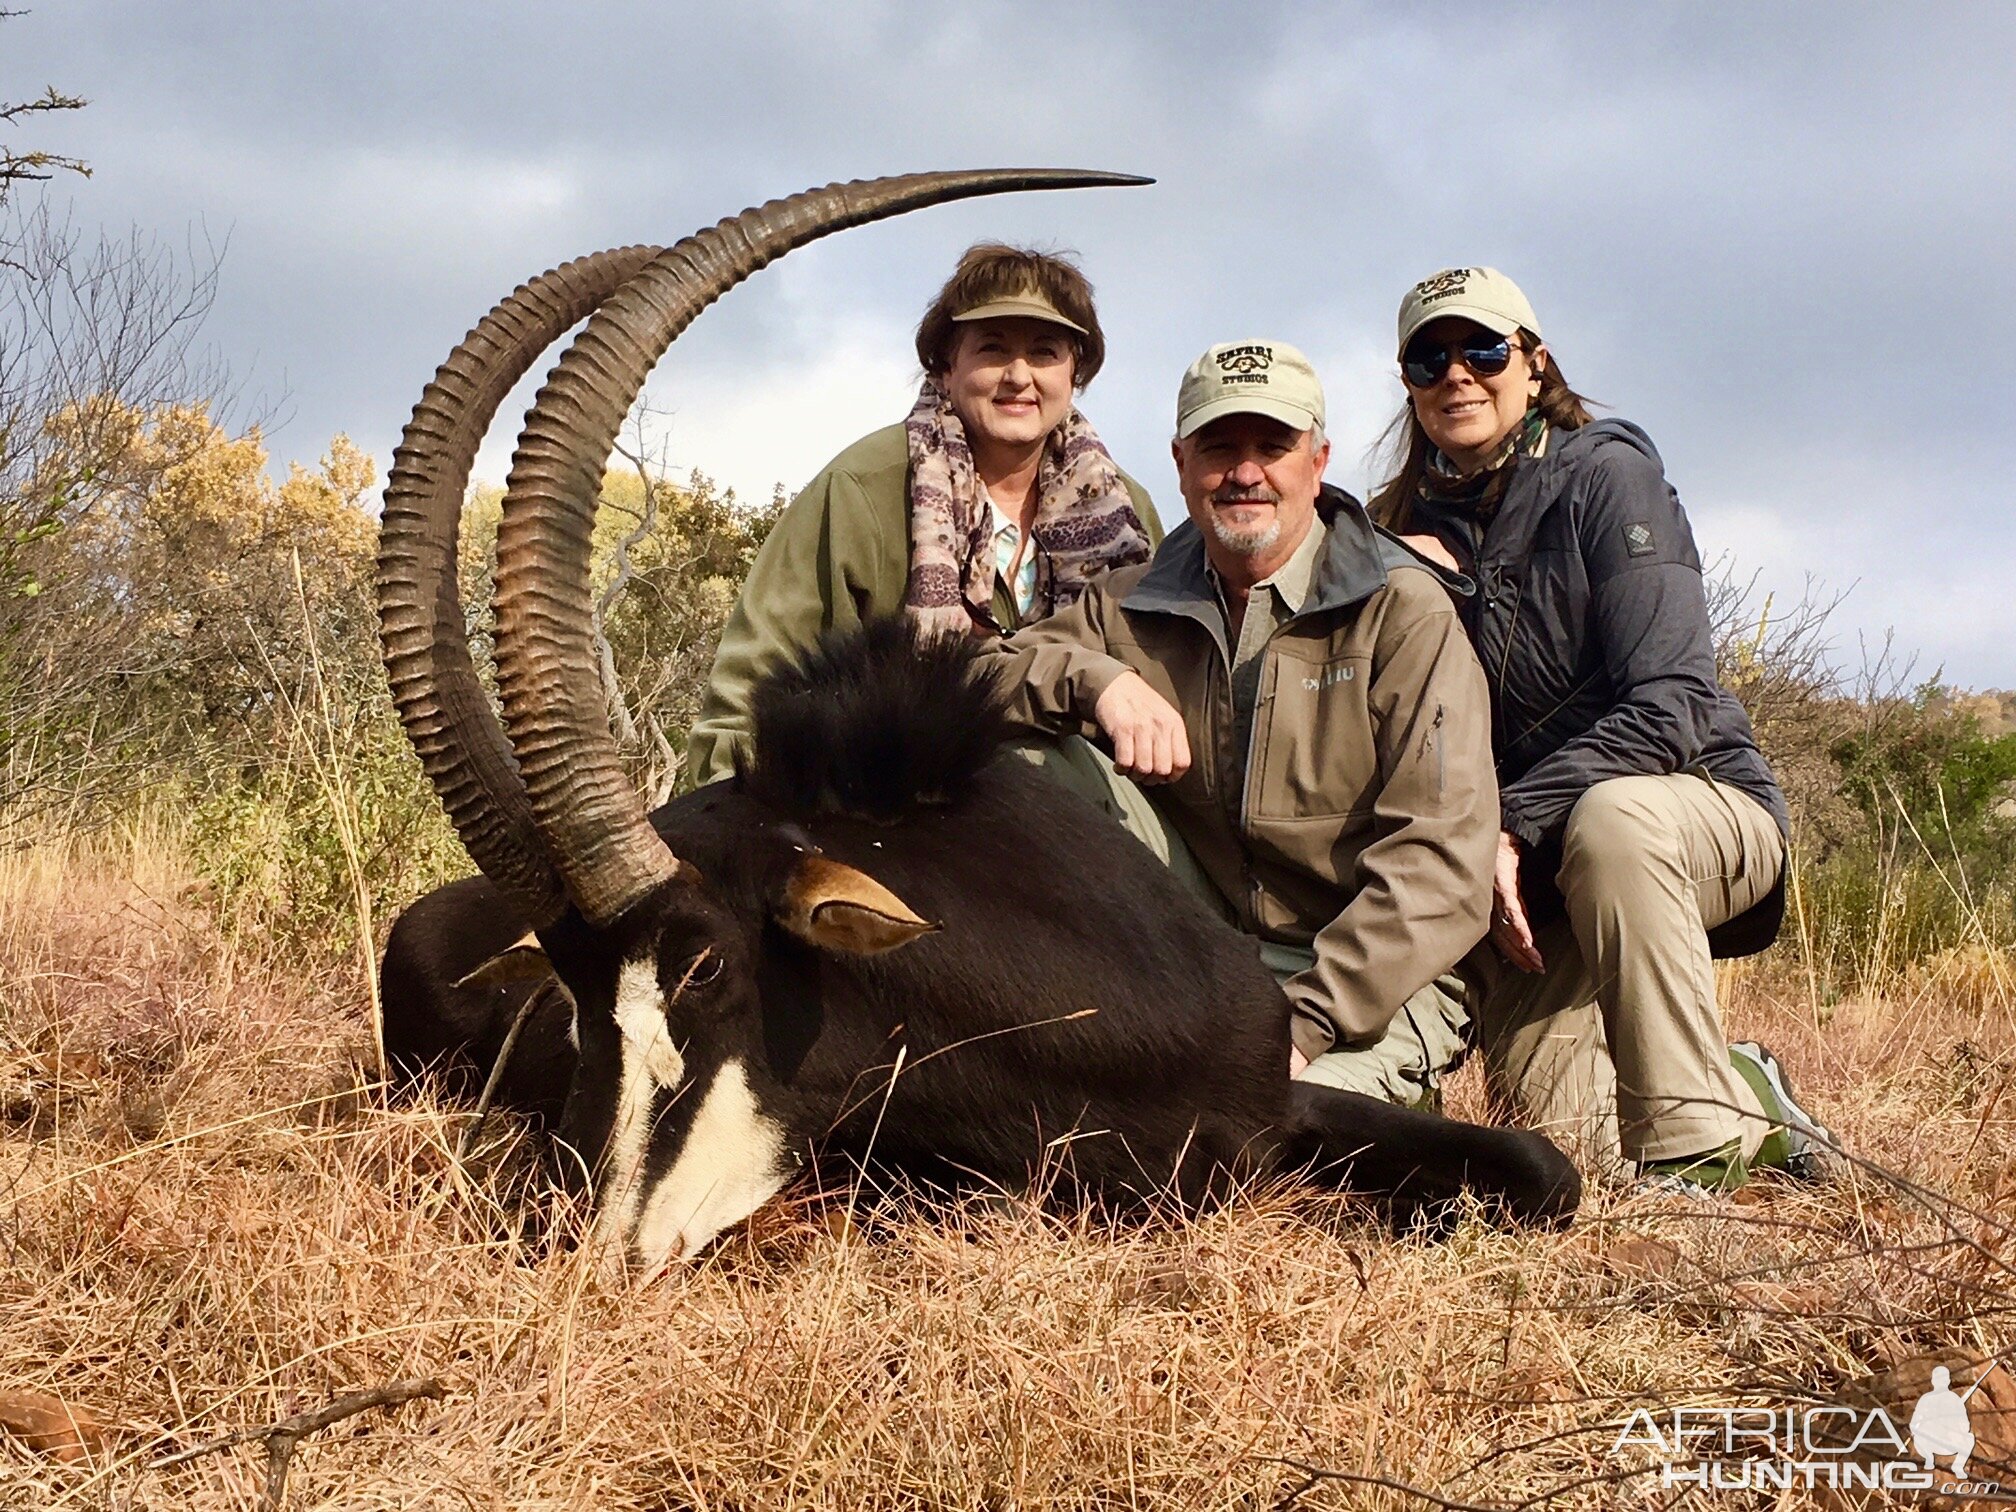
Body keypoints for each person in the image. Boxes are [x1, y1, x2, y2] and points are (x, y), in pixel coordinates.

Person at [1369, 265, 1831, 1188]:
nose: (1458, 374)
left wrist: (1508, 822)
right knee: (1577, 1153)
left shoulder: (1607, 476)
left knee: (1616, 822)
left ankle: (1695, 1156)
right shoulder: (1395, 533)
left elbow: (1670, 702)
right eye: (1429, 359)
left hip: (1691, 811)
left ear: (1534, 365)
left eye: (1484, 349)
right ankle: (1749, 1090)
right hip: (1538, 873)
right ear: (1410, 385)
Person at [990, 340, 1496, 1109]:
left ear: (1318, 460)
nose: (1246, 472)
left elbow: (1442, 868)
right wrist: (1099, 681)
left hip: (1363, 985)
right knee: (1028, 755)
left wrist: (1300, 1027)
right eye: (1219, 447)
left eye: (1273, 446)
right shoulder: (1125, 600)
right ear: (1181, 462)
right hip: (1198, 960)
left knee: (1268, 1143)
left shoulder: (1403, 610)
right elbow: (973, 680)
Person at [686, 243, 1160, 785]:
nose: (1019, 376)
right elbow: (753, 685)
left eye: (1046, 351)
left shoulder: (1128, 512)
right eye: (992, 348)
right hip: (894, 802)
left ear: (1076, 372)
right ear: (945, 363)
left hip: (1088, 805)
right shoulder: (861, 488)